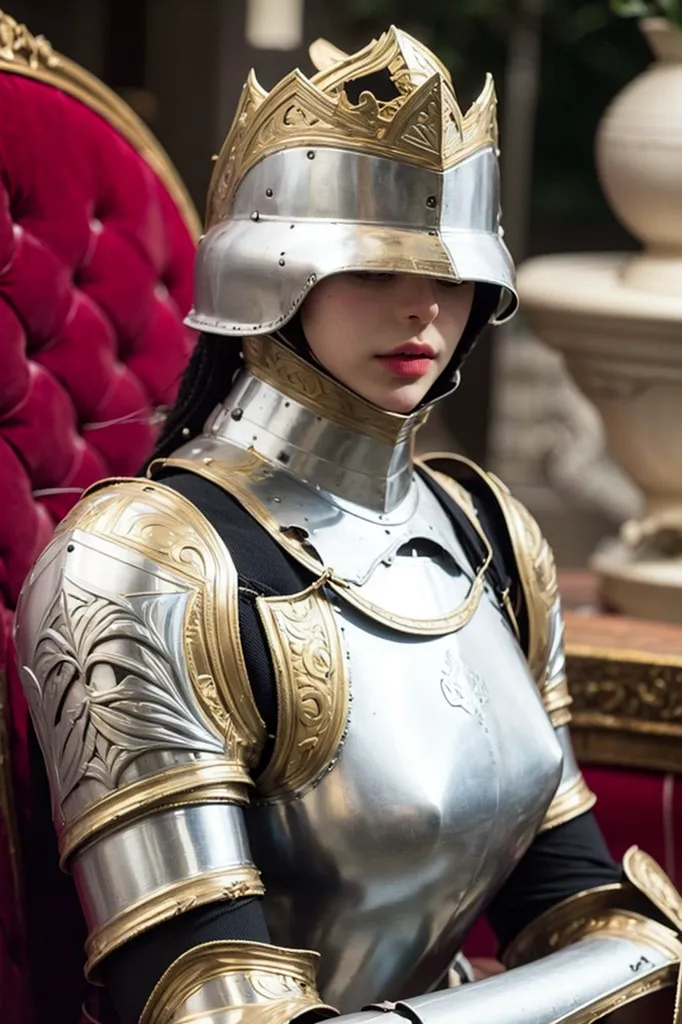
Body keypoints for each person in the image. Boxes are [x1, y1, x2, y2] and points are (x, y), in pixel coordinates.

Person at [13, 26, 682, 1024]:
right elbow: (210, 1002)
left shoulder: (489, 532)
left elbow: (590, 906)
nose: (423, 307)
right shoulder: (142, 570)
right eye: (371, 268)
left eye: (452, 273)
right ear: (269, 276)